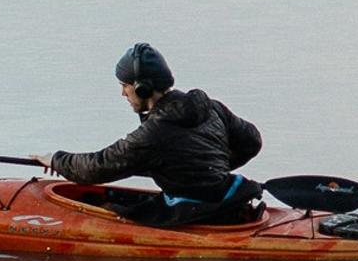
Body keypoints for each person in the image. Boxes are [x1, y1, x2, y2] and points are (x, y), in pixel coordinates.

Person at [45, 42, 270, 226]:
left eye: (125, 85)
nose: (123, 93)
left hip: (197, 213)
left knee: (108, 208)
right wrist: (207, 168)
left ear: (142, 88)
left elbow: (96, 167)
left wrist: (56, 160)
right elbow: (252, 141)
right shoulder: (213, 107)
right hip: (227, 200)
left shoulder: (154, 133)